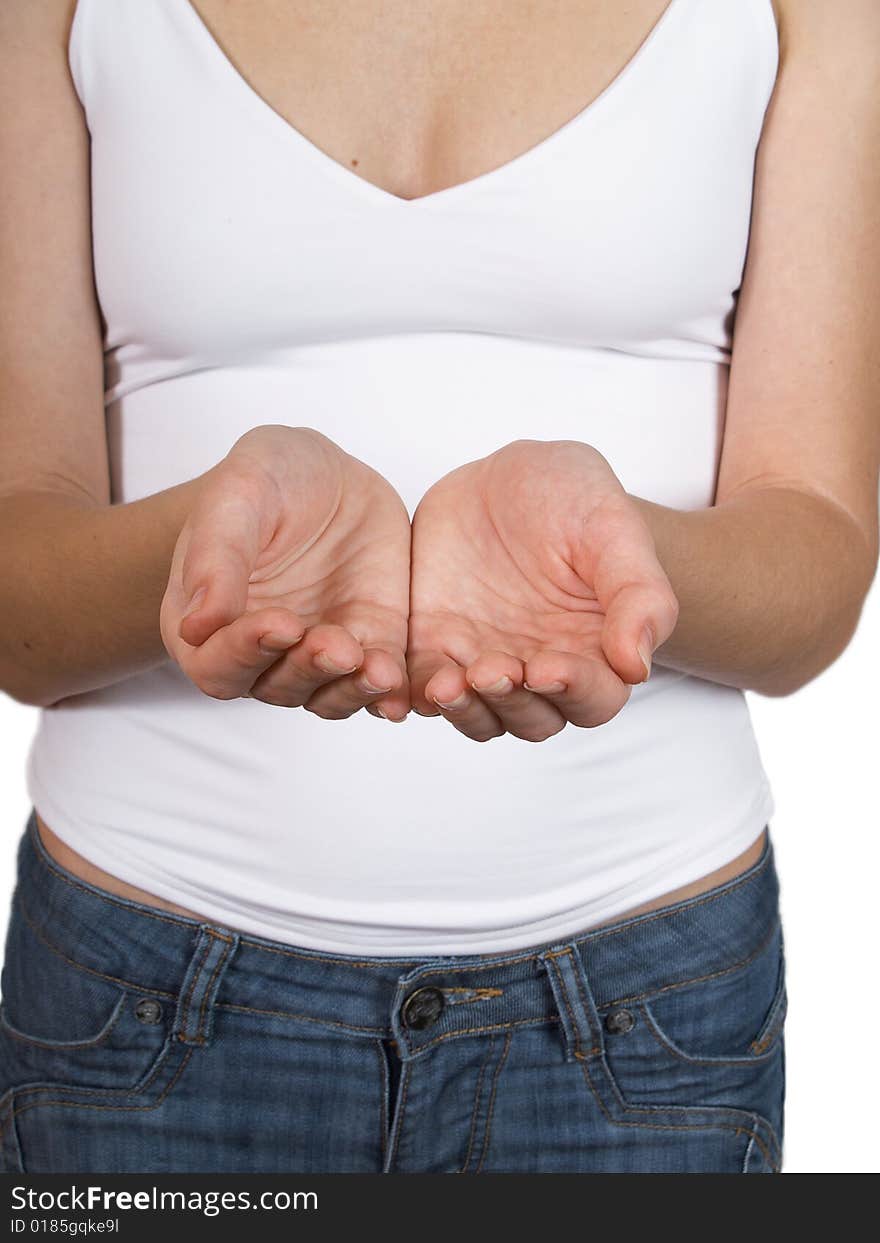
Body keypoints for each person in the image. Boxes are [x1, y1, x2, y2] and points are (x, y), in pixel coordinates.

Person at [0, 0, 876, 1175]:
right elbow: (19, 607)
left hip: (642, 1014)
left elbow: (817, 580)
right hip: (145, 999)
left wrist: (631, 553)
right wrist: (200, 540)